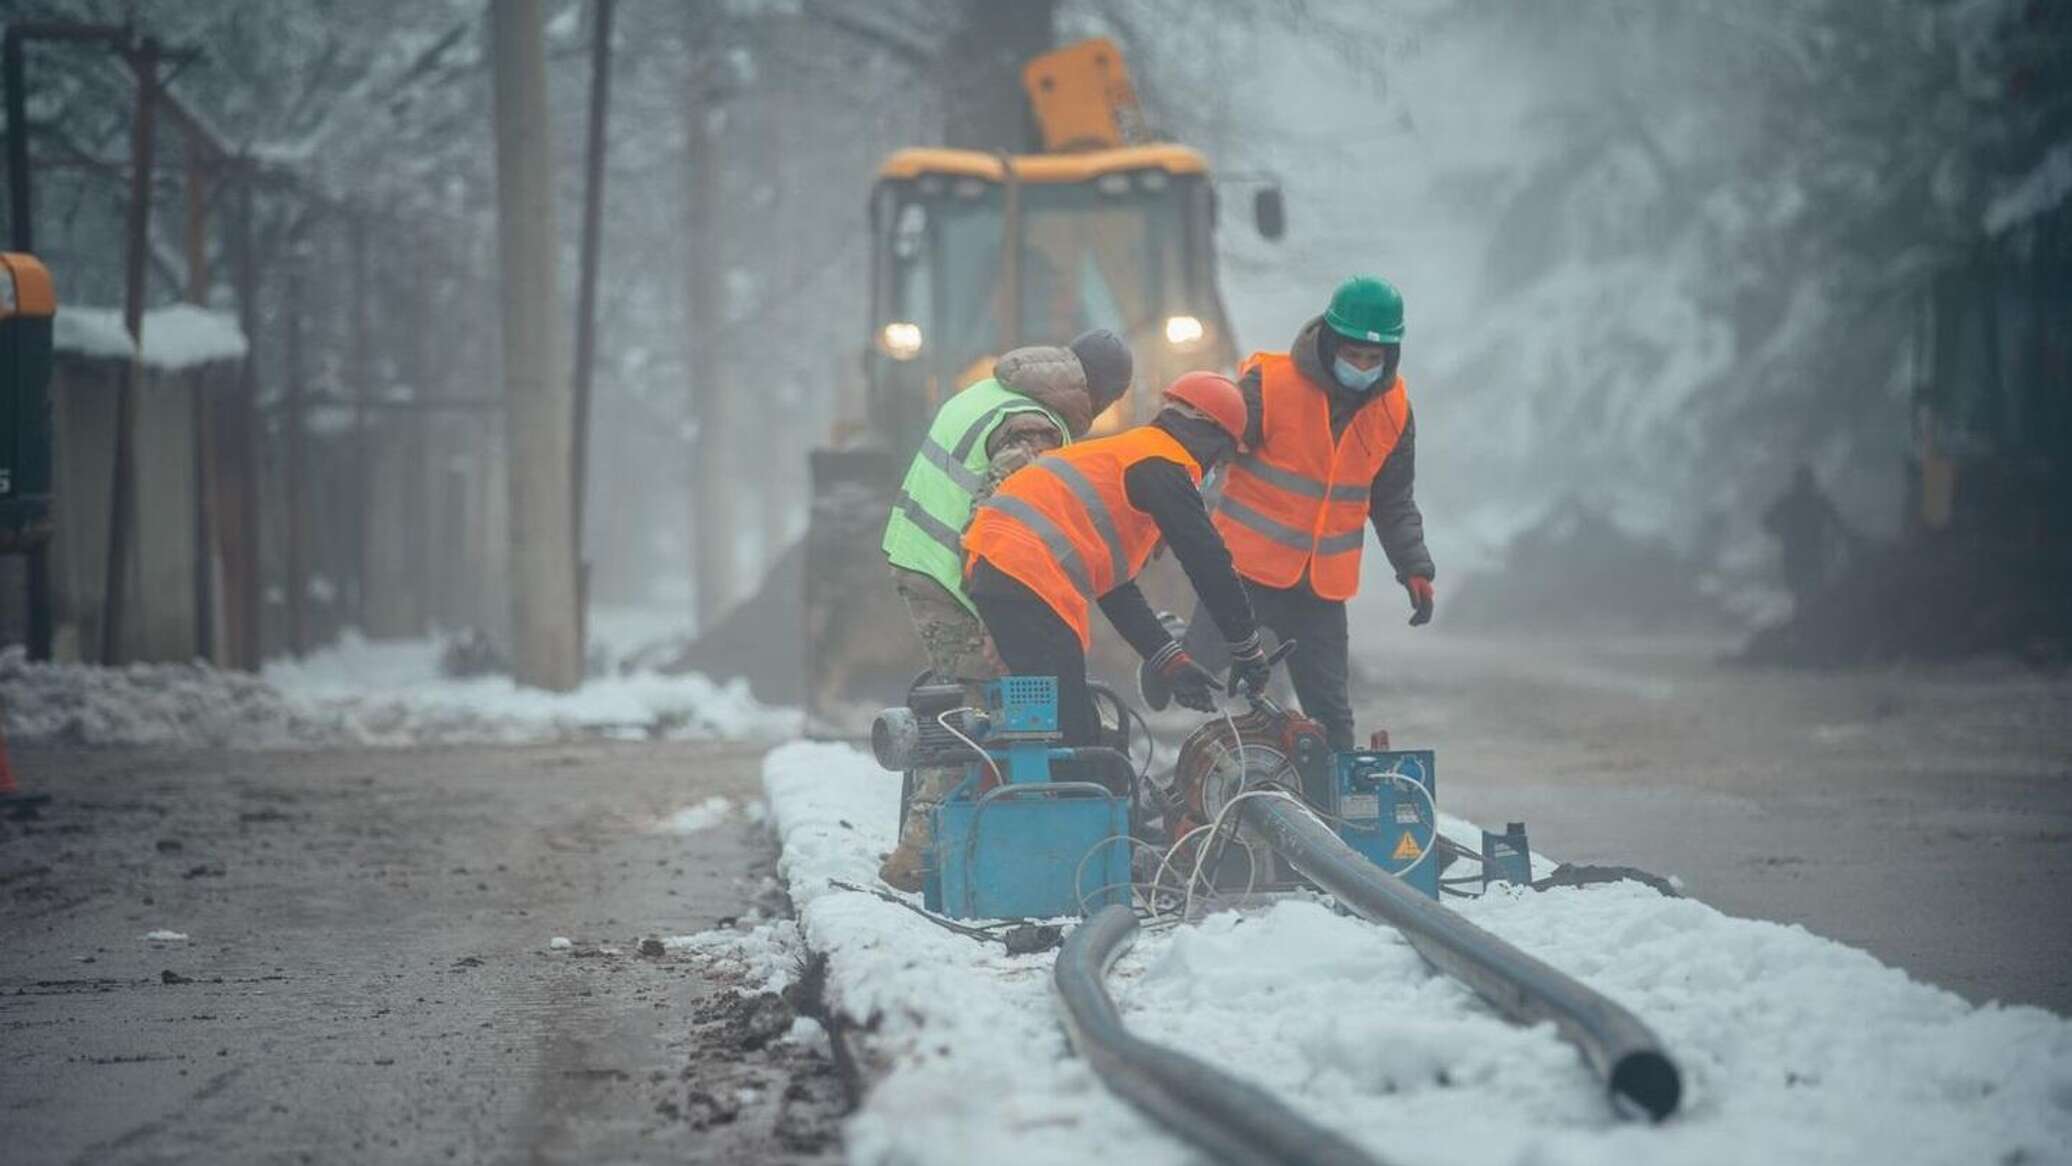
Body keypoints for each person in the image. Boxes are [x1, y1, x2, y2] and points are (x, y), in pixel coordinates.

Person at [877, 329, 1134, 889]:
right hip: (952, 576)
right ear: (1102, 397)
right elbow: (998, 527)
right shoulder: (1034, 430)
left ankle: (956, 842)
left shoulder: (993, 392)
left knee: (966, 702)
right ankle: (920, 859)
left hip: (924, 559)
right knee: (976, 713)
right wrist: (996, 620)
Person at [1175, 276, 1435, 752]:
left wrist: (1413, 566)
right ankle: (1168, 651)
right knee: (1188, 674)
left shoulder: (1394, 411)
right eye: (1353, 355)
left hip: (1320, 590)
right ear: (1331, 342)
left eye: (1373, 359)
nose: (1361, 366)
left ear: (1390, 357)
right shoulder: (1269, 385)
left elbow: (1393, 499)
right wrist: (1169, 508)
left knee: (1332, 717)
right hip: (1243, 573)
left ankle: (1329, 815)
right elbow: (1209, 447)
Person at [963, 372, 1273, 752]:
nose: (1217, 473)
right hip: (1025, 572)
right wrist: (1246, 648)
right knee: (1070, 733)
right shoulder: (1165, 465)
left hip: (1002, 569)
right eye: (1222, 461)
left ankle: (1032, 791)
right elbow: (1208, 562)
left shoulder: (1131, 457)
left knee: (1058, 720)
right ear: (1211, 438)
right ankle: (1056, 804)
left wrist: (1171, 663)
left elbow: (1116, 591)